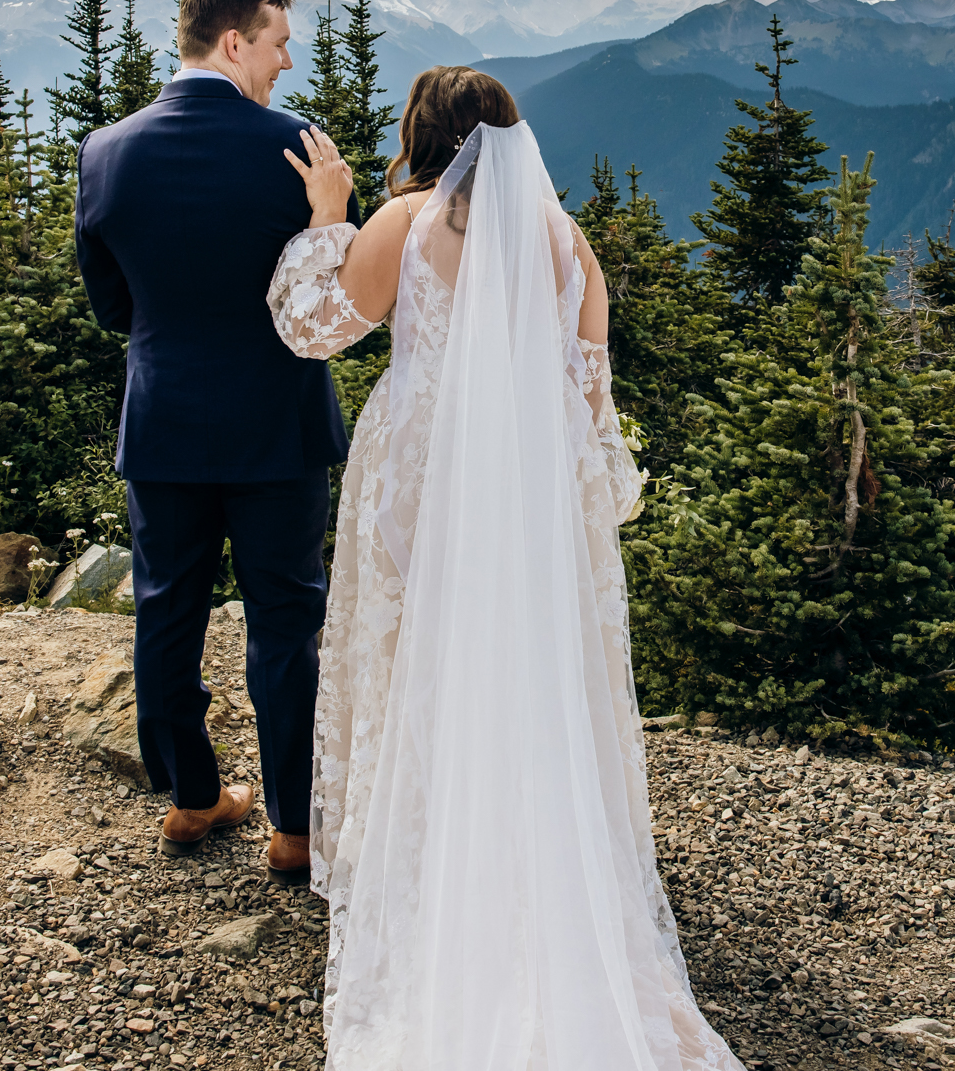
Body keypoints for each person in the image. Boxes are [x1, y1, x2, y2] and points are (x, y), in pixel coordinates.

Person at [270, 66, 746, 1070]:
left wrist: (325, 215)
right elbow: (589, 408)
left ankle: (433, 867)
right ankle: (531, 867)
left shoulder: (401, 222)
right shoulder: (567, 245)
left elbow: (315, 329)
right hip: (526, 492)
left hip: (420, 477)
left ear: (421, 136)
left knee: (416, 670)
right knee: (520, 683)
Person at [74, 0, 354, 880]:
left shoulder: (105, 150)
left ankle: (192, 798)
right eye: (277, 45)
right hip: (276, 427)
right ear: (235, 42)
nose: (283, 64)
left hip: (161, 421)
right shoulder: (297, 148)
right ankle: (294, 827)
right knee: (284, 619)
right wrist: (329, 218)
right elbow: (325, 300)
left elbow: (111, 305)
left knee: (166, 608)